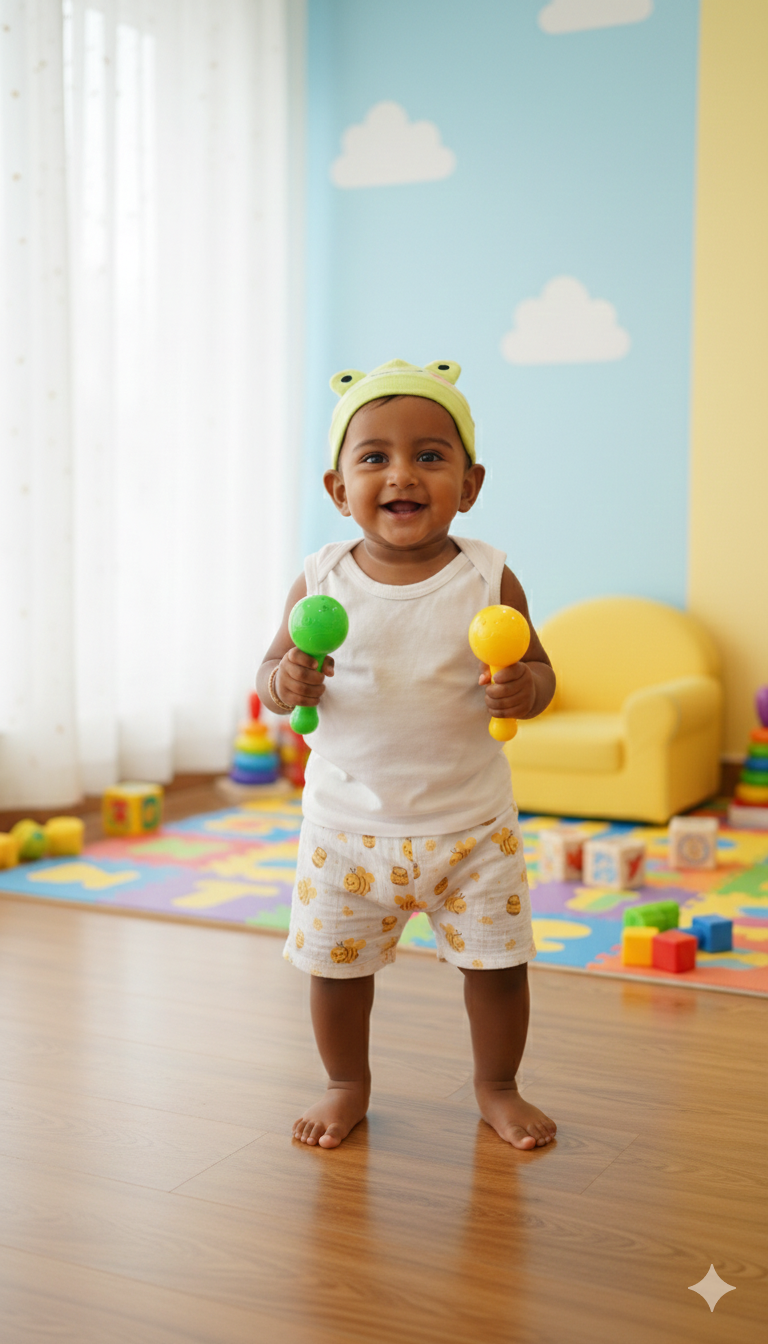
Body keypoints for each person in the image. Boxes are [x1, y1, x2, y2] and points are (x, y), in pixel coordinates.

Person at [257, 359, 557, 1151]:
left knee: (498, 970)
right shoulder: (321, 580)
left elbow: (541, 671)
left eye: (430, 456)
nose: (402, 475)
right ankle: (345, 1084)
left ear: (470, 483)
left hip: (472, 829)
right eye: (374, 457)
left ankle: (497, 1085)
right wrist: (286, 680)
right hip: (345, 829)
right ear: (338, 488)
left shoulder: (488, 578)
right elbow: (271, 676)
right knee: (336, 972)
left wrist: (523, 687)